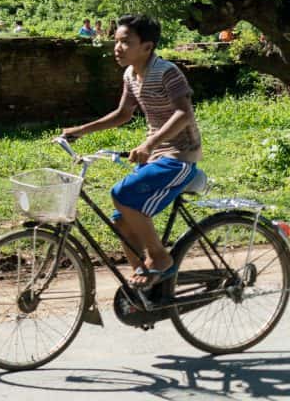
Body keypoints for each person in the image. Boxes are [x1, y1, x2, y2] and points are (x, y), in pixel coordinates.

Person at [62, 14, 201, 289]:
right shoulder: (130, 75)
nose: (117, 47)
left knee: (121, 194)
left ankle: (159, 258)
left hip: (179, 158)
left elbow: (183, 114)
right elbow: (123, 114)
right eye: (116, 41)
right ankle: (145, 285)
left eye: (126, 42)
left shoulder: (166, 72)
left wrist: (148, 145)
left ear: (147, 47)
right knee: (122, 222)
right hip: (157, 157)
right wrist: (80, 130)